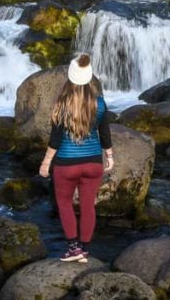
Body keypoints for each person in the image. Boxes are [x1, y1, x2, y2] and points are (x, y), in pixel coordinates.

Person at [39, 52, 114, 263]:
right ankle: (85, 249)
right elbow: (105, 134)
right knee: (88, 206)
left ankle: (73, 249)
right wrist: (110, 156)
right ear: (89, 78)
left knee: (64, 204)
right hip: (92, 164)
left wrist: (46, 163)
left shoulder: (61, 105)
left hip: (66, 165)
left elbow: (55, 140)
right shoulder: (99, 104)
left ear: (70, 78)